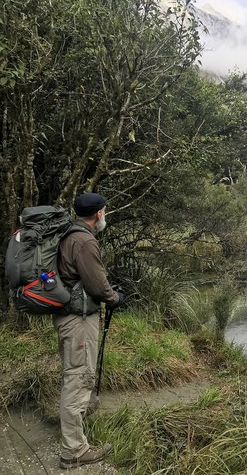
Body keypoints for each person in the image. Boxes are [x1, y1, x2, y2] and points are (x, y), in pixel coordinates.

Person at [54, 193, 124, 469]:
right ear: (98, 214)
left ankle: (75, 430)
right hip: (78, 320)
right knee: (78, 377)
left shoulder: (69, 234)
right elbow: (97, 285)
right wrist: (115, 298)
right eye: (104, 210)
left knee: (74, 374)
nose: (105, 214)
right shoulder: (84, 240)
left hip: (67, 316)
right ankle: (73, 451)